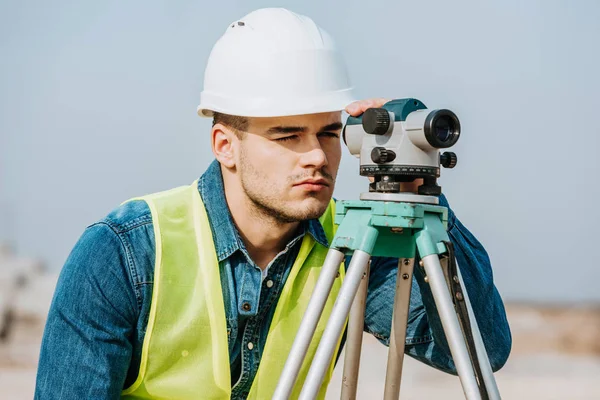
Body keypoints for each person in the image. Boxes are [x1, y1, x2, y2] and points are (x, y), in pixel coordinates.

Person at [35, 7, 511, 400]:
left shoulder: (351, 250)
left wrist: (418, 186)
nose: (315, 156)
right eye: (287, 135)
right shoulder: (124, 254)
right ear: (224, 145)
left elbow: (480, 351)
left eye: (328, 133)